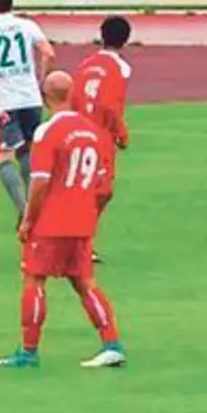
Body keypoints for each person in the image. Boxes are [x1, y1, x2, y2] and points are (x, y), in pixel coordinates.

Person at [0, 71, 126, 369]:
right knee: (85, 282)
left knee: (34, 279)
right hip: (82, 220)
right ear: (71, 94)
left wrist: (28, 220)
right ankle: (112, 343)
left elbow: (40, 182)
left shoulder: (47, 132)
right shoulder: (92, 132)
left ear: (44, 97)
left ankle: (29, 351)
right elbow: (104, 186)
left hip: (52, 221)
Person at [0, 0, 55, 217]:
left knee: (3, 155)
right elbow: (49, 53)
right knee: (27, 150)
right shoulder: (27, 25)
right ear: (12, 3)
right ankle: (37, 207)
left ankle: (24, 210)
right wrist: (42, 81)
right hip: (31, 96)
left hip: (6, 99)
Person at [70, 16, 133, 263]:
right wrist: (121, 133)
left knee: (85, 187)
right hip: (99, 136)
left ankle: (81, 241)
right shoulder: (120, 68)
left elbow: (75, 95)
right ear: (126, 40)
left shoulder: (86, 63)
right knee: (101, 191)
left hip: (79, 129)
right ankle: (81, 242)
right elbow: (111, 104)